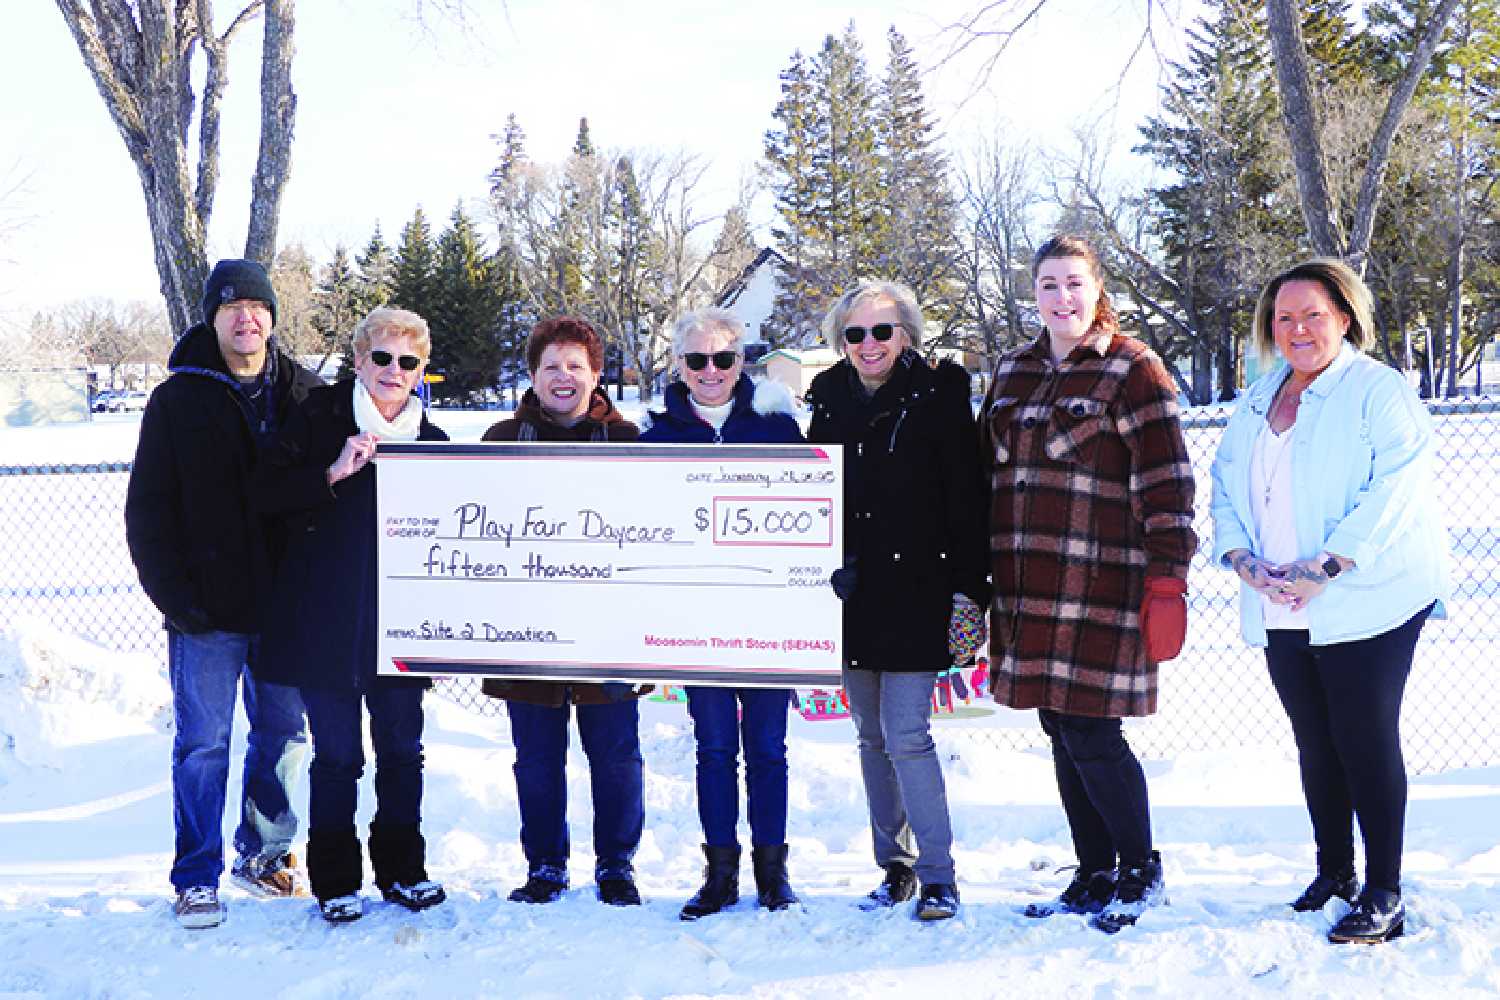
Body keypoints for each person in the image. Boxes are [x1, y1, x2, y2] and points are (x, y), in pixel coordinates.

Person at [1210, 259, 1449, 945]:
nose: (1298, 329)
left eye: (1313, 315)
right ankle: (1334, 873)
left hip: (1366, 596)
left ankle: (1384, 890)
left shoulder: (1379, 391)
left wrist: (1331, 563)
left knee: (1363, 738)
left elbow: (1396, 490)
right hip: (1282, 598)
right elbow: (1225, 484)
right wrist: (1243, 559)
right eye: (1284, 318)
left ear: (1345, 317)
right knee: (1316, 742)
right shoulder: (1259, 397)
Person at [980, 235, 1196, 932]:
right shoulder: (1012, 369)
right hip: (1025, 583)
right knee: (1058, 726)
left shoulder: (1134, 368)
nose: (1062, 298)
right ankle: (1093, 869)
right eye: (1048, 284)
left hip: (1101, 583)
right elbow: (987, 473)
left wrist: (1168, 577)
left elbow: (1169, 480)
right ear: (1032, 291)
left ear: (1097, 289)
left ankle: (1140, 868)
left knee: (1092, 731)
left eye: (1074, 283)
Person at [125, 258, 320, 928]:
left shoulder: (303, 394)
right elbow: (147, 510)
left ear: (271, 316)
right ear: (212, 316)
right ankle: (196, 874)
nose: (246, 317)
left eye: (257, 306)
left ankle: (266, 857)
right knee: (204, 743)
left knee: (284, 735)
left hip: (285, 607)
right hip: (206, 611)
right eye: (231, 306)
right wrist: (177, 598)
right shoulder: (179, 399)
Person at [254, 306, 449, 923]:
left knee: (402, 751)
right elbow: (265, 495)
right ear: (359, 360)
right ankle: (334, 879)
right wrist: (331, 472)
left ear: (421, 371)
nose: (393, 371)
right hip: (326, 621)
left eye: (407, 361)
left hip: (403, 624)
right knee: (338, 756)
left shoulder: (435, 443)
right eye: (381, 358)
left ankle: (403, 870)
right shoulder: (317, 419)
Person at [804, 280, 990, 921]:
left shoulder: (940, 397)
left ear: (906, 333)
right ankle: (897, 868)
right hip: (854, 594)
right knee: (869, 734)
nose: (869, 345)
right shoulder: (827, 398)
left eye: (882, 331)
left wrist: (971, 592)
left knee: (908, 732)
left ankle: (940, 875)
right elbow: (811, 497)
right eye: (855, 334)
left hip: (922, 589)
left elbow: (968, 501)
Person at [639, 308, 805, 920]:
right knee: (712, 748)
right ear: (679, 365)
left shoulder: (777, 429)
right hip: (697, 622)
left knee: (767, 749)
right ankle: (719, 874)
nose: (710, 371)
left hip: (767, 621)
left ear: (742, 363)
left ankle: (772, 872)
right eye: (697, 360)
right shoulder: (656, 439)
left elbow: (815, 517)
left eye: (723, 358)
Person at [479, 316, 649, 907]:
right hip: (525, 634)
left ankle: (616, 864)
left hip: (611, 636)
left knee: (617, 754)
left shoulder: (631, 445)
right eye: (551, 365)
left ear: (596, 375)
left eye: (576, 365)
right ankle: (546, 864)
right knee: (537, 759)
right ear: (533, 375)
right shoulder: (501, 441)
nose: (563, 377)